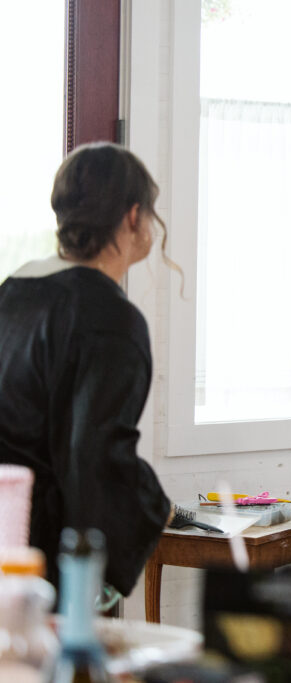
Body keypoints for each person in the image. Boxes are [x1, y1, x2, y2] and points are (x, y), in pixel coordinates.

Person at [0, 142, 174, 597]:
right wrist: (156, 506)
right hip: (38, 552)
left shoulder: (14, 290)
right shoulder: (109, 318)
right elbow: (95, 453)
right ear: (134, 217)